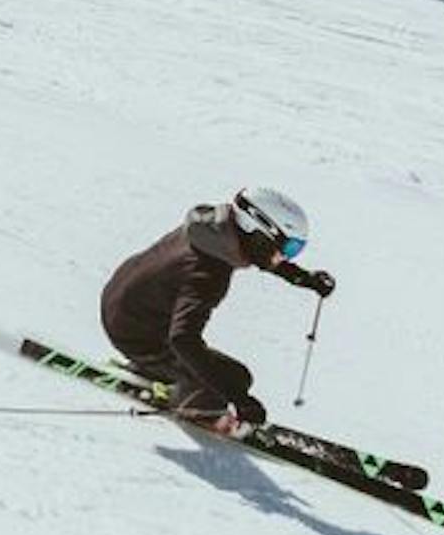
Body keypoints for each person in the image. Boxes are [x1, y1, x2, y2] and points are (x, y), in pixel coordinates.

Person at [99, 185, 335, 432]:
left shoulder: (214, 231)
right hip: (133, 331)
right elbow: (183, 339)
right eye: (288, 248)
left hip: (120, 300)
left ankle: (157, 372)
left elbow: (258, 253)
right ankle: (193, 408)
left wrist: (303, 278)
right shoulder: (207, 273)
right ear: (257, 231)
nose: (287, 257)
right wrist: (238, 399)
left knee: (226, 375)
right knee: (234, 378)